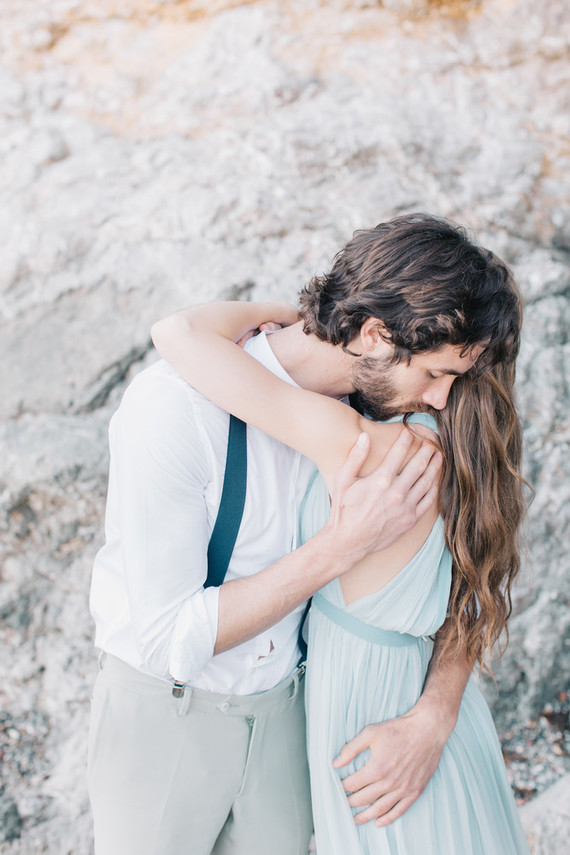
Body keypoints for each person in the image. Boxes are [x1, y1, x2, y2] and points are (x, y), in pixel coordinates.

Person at [150, 214, 531, 854]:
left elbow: (178, 332)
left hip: (372, 740)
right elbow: (473, 596)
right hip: (434, 730)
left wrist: (291, 314)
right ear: (380, 335)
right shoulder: (468, 455)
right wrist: (438, 716)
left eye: (449, 378)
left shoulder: (360, 445)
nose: (439, 398)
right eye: (436, 373)